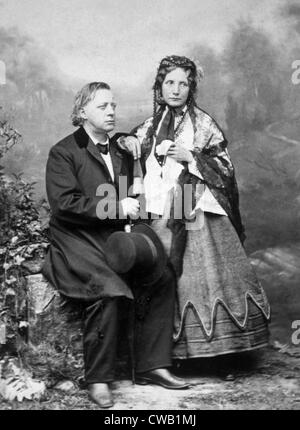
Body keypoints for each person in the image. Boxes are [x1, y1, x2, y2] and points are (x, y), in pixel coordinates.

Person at [42, 81, 189, 409]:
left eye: (113, 106)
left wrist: (134, 207)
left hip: (113, 237)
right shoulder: (63, 152)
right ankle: (98, 378)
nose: (111, 112)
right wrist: (116, 207)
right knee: (110, 290)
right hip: (75, 239)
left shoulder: (123, 149)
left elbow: (131, 193)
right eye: (102, 107)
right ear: (82, 113)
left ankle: (153, 365)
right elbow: (65, 205)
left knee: (162, 276)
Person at [119, 56, 271, 364]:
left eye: (183, 84)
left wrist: (191, 156)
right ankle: (168, 355)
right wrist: (125, 140)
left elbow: (225, 168)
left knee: (206, 277)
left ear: (192, 88)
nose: (175, 90)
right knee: (164, 276)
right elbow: (128, 146)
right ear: (159, 86)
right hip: (163, 210)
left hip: (196, 205)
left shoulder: (203, 124)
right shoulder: (150, 125)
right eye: (169, 83)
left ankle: (223, 355)